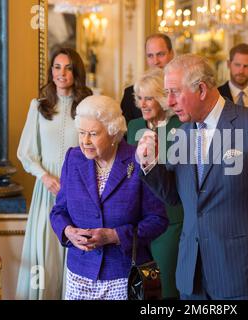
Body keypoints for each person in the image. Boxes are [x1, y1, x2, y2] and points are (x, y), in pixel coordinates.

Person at [136, 54, 248, 300]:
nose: (169, 102)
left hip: (242, 272)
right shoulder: (184, 132)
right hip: (192, 274)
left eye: (174, 92)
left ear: (201, 89)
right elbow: (174, 196)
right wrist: (149, 165)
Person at [49, 95, 168, 300]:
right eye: (82, 133)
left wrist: (115, 236)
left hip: (124, 276)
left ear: (113, 133)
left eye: (93, 134)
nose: (85, 141)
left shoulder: (138, 159)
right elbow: (59, 211)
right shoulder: (73, 158)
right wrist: (68, 231)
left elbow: (158, 220)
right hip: (79, 274)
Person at [16, 47, 93, 300]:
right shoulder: (38, 106)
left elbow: (94, 149)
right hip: (46, 192)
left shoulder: (87, 106)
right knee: (46, 256)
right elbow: (25, 152)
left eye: (68, 67)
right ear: (51, 71)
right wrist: (44, 177)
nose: (62, 73)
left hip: (79, 193)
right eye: (57, 67)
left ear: (76, 72)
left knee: (74, 254)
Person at [127, 68, 183, 299]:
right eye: (140, 98)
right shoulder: (133, 126)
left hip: (171, 218)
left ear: (162, 97)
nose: (143, 104)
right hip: (138, 220)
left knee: (167, 286)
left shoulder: (180, 126)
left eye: (149, 98)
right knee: (142, 285)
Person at [121, 33, 175, 124]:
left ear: (171, 54)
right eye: (150, 56)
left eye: (160, 54)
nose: (155, 61)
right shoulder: (130, 94)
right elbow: (127, 135)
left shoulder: (183, 91)